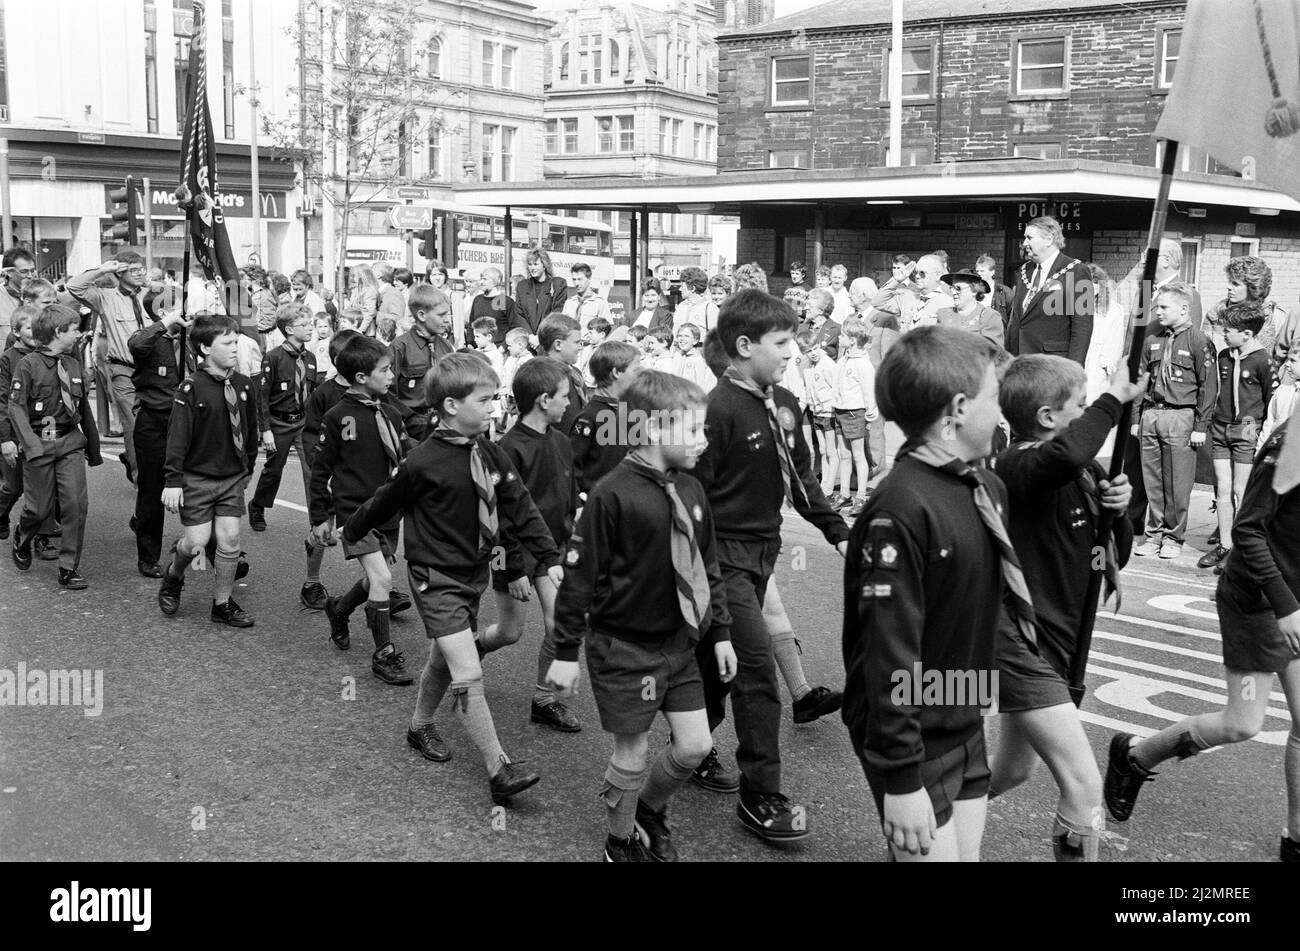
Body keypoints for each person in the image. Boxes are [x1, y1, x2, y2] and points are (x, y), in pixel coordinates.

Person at [343, 353, 561, 805]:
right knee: (467, 670)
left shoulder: (490, 451)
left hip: (472, 574)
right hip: (433, 577)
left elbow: (520, 505)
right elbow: (383, 502)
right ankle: (499, 768)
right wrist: (350, 531)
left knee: (443, 659)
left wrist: (550, 557)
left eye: (495, 399)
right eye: (484, 400)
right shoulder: (422, 461)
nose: (494, 409)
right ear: (449, 406)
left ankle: (418, 725)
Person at [550, 369, 735, 861]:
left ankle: (646, 810)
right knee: (631, 753)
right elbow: (579, 579)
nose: (702, 441)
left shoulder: (691, 491)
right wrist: (565, 653)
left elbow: (706, 567)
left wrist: (720, 632)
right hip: (624, 647)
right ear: (652, 429)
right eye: (692, 430)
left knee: (694, 747)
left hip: (679, 646)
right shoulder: (612, 493)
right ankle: (620, 840)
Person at [842, 326, 1008, 862]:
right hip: (915, 738)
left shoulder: (979, 486)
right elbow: (890, 650)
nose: (1002, 414)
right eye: (995, 399)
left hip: (960, 714)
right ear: (958, 409)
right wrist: (902, 777)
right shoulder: (902, 508)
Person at [1104, 417, 1300, 864]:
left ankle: (1295, 840)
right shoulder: (1293, 442)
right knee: (1242, 723)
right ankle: (1135, 756)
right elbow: (1248, 530)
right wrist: (1287, 606)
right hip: (1259, 603)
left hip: (1293, 603)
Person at [692, 289, 850, 838]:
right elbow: (694, 502)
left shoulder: (783, 400)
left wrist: (838, 533)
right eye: (781, 342)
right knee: (756, 671)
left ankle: (690, 742)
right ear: (743, 345)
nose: (792, 351)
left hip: (764, 552)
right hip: (723, 560)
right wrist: (702, 572)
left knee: (718, 663)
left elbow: (801, 477)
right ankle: (761, 794)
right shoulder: (715, 411)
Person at [989, 355, 1143, 861]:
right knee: (1082, 782)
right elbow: (1066, 456)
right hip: (1018, 642)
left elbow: (1106, 551)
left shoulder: (1081, 468)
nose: (1090, 413)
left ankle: (924, 809)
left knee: (1013, 771)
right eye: (1082, 404)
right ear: (1048, 418)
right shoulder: (1018, 466)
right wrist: (1113, 401)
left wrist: (1116, 511)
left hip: (1058, 640)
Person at [482, 359, 582, 732]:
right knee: (511, 632)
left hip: (550, 551)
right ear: (543, 400)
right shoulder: (508, 447)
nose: (569, 404)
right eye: (564, 397)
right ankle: (472, 648)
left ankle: (544, 699)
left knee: (561, 624)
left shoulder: (561, 441)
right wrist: (512, 569)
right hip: (514, 554)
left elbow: (567, 499)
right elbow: (500, 514)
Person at [311, 336, 415, 685]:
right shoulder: (337, 416)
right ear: (360, 377)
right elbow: (320, 472)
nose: (391, 376)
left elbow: (405, 456)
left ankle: (339, 609)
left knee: (376, 578)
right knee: (384, 579)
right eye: (384, 371)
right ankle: (383, 654)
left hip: (388, 509)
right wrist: (320, 519)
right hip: (356, 513)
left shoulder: (390, 412)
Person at [156, 316, 257, 627]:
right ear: (204, 348)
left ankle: (222, 604)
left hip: (231, 478)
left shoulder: (243, 384)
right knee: (197, 542)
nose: (234, 348)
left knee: (230, 540)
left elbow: (250, 428)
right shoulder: (190, 388)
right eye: (226, 343)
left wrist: (248, 466)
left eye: (236, 341)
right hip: (197, 478)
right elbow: (177, 438)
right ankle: (174, 575)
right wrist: (173, 481)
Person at [7, 304, 102, 589]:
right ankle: (23, 537)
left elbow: (83, 407)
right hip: (40, 442)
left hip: (69, 442)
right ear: (58, 332)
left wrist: (93, 448)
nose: (78, 334)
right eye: (74, 330)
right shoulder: (28, 365)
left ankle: (68, 567)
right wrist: (31, 445)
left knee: (75, 505)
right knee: (38, 509)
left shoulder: (72, 363)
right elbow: (16, 407)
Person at [1133, 282, 1217, 560]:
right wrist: (1137, 417)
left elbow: (1208, 388)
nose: (1158, 311)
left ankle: (1173, 537)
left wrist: (1200, 426)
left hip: (1181, 415)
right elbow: (1141, 380)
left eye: (1164, 307)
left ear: (1184, 309)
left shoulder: (1199, 341)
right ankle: (1153, 534)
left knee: (1178, 484)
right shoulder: (1153, 340)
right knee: (1152, 482)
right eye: (1157, 306)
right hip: (1152, 414)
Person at [1199, 301, 1273, 571]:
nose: (1223, 334)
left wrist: (1261, 432)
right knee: (1222, 489)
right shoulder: (1224, 356)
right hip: (1221, 427)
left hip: (1246, 429)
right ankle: (1225, 544)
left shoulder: (1263, 360)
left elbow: (1269, 398)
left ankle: (1241, 551)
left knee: (1241, 492)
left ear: (1247, 334)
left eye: (1228, 330)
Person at [66, 251, 150, 485]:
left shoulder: (152, 294)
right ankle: (141, 480)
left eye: (141, 268)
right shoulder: (105, 297)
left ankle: (137, 460)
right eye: (133, 270)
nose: (139, 273)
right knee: (134, 425)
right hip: (124, 370)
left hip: (154, 372)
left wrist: (151, 283)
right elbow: (75, 286)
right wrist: (103, 269)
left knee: (157, 423)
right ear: (120, 272)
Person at [127, 299, 197, 578]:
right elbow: (137, 345)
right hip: (155, 420)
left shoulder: (188, 339)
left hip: (187, 420)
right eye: (168, 306)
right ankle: (148, 556)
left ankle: (201, 551)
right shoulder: (147, 338)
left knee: (196, 488)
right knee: (152, 491)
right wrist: (167, 323)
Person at [248, 303, 318, 545]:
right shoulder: (274, 357)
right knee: (273, 470)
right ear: (289, 329)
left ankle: (316, 520)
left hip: (303, 422)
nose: (310, 328)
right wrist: (265, 429)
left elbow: (311, 392)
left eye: (311, 323)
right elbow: (262, 397)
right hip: (279, 422)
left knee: (312, 470)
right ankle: (257, 505)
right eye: (304, 325)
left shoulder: (309, 358)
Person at [0, 307, 57, 547]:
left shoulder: (50, 355)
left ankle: (40, 537)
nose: (34, 331)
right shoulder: (9, 359)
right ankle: (2, 514)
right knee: (14, 487)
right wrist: (5, 439)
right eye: (28, 327)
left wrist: (53, 438)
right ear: (16, 331)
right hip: (15, 431)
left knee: (46, 486)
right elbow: (4, 401)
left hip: (43, 428)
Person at [1006, 216, 1093, 364]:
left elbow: (1082, 327)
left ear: (1048, 239)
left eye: (1029, 238)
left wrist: (1073, 370)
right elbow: (1015, 320)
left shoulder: (1077, 271)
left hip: (1052, 365)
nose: (1025, 243)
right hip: (1018, 363)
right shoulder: (1023, 271)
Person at [570, 340, 642, 497]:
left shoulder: (629, 411)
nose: (640, 375)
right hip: (596, 501)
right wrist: (577, 504)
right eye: (636, 370)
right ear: (616, 372)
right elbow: (571, 466)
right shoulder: (589, 417)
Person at [389, 285, 455, 440]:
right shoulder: (400, 347)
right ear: (421, 315)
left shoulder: (446, 347)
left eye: (448, 314)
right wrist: (406, 421)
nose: (447, 319)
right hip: (412, 424)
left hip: (443, 420)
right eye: (441, 315)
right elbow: (388, 392)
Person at [833, 317, 880, 517]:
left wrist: (869, 417)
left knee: (858, 455)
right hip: (840, 411)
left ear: (852, 340)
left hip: (855, 412)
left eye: (843, 335)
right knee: (843, 453)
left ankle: (860, 496)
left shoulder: (863, 364)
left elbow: (870, 393)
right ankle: (844, 494)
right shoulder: (843, 360)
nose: (839, 338)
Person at [800, 331, 840, 499]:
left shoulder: (828, 364)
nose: (813, 353)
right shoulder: (808, 367)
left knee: (831, 450)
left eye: (815, 348)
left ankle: (829, 486)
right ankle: (823, 484)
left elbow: (836, 387)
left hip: (829, 412)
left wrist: (833, 406)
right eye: (809, 351)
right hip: (816, 411)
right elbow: (808, 390)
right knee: (822, 450)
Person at [537, 313, 588, 435]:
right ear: (558, 345)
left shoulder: (575, 372)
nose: (580, 347)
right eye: (576, 342)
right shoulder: (545, 376)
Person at [512, 249, 568, 349]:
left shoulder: (557, 284)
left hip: (547, 340)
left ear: (545, 265)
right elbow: (518, 314)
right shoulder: (522, 286)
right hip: (527, 342)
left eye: (536, 264)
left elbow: (556, 313)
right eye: (530, 264)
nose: (532, 268)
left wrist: (539, 337)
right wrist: (530, 336)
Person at [937, 270, 1004, 347]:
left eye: (958, 288)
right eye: (952, 288)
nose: (953, 292)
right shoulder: (944, 314)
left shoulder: (989, 316)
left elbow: (993, 352)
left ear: (974, 291)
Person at [469, 267, 517, 348]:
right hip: (478, 349)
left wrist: (503, 347)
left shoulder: (506, 301)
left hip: (498, 349)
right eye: (481, 279)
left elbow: (514, 328)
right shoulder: (478, 299)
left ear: (496, 281)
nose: (481, 282)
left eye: (485, 279)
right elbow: (471, 324)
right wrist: (470, 342)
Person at [871, 255, 920, 331]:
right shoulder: (889, 288)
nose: (896, 270)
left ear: (907, 269)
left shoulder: (916, 289)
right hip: (892, 331)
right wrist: (896, 281)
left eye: (899, 268)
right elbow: (876, 303)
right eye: (894, 268)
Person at [0, 248, 36, 346]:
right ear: (9, 272)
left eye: (32, 271)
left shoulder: (41, 295)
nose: (30, 275)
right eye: (24, 271)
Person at [560, 263, 611, 328]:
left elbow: (607, 330)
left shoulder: (600, 303)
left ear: (589, 279)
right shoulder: (569, 303)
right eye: (574, 279)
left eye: (579, 279)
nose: (576, 283)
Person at [668, 323, 714, 393]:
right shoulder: (677, 356)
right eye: (680, 336)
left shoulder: (698, 360)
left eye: (686, 336)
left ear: (695, 340)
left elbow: (700, 385)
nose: (682, 339)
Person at [674, 267, 718, 334]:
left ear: (692, 289)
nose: (680, 289)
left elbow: (717, 337)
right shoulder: (681, 306)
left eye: (682, 286)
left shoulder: (710, 308)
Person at [974, 255, 1013, 327]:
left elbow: (1012, 319)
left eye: (982, 271)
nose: (979, 274)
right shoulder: (972, 291)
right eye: (977, 271)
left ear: (992, 272)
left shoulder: (1005, 292)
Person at [347, 265, 380, 335]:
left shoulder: (370, 291)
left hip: (365, 331)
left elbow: (369, 313)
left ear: (362, 276)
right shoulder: (356, 290)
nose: (353, 278)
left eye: (355, 276)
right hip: (354, 327)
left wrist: (361, 330)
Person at [579, 316, 612, 387]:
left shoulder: (605, 351)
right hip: (585, 386)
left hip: (594, 388)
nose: (588, 336)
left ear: (602, 334)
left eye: (591, 333)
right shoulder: (588, 348)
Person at [374, 263, 407, 330]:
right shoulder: (377, 292)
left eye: (372, 271)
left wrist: (375, 314)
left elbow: (398, 319)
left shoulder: (393, 293)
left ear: (378, 274)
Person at [307, 314, 335, 383]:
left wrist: (329, 376)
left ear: (330, 327)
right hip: (314, 372)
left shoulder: (330, 342)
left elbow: (332, 360)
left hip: (325, 373)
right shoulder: (313, 341)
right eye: (320, 327)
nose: (323, 329)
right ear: (315, 328)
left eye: (325, 326)